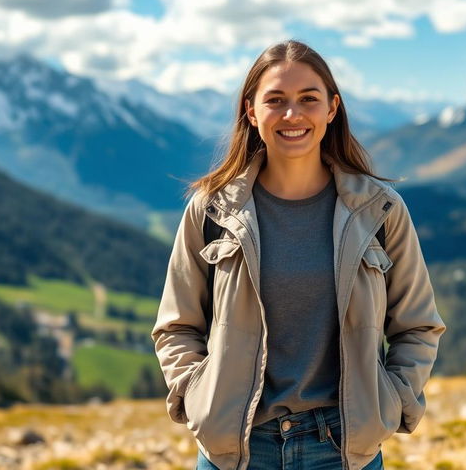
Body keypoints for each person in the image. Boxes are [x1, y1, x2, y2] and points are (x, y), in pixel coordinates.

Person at [151, 40, 446, 470]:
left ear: (332, 108)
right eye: (276, 100)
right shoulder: (212, 210)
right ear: (251, 112)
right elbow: (176, 325)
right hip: (236, 450)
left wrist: (390, 400)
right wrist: (199, 397)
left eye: (308, 99)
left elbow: (418, 324)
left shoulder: (379, 211)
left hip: (343, 449)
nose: (293, 115)